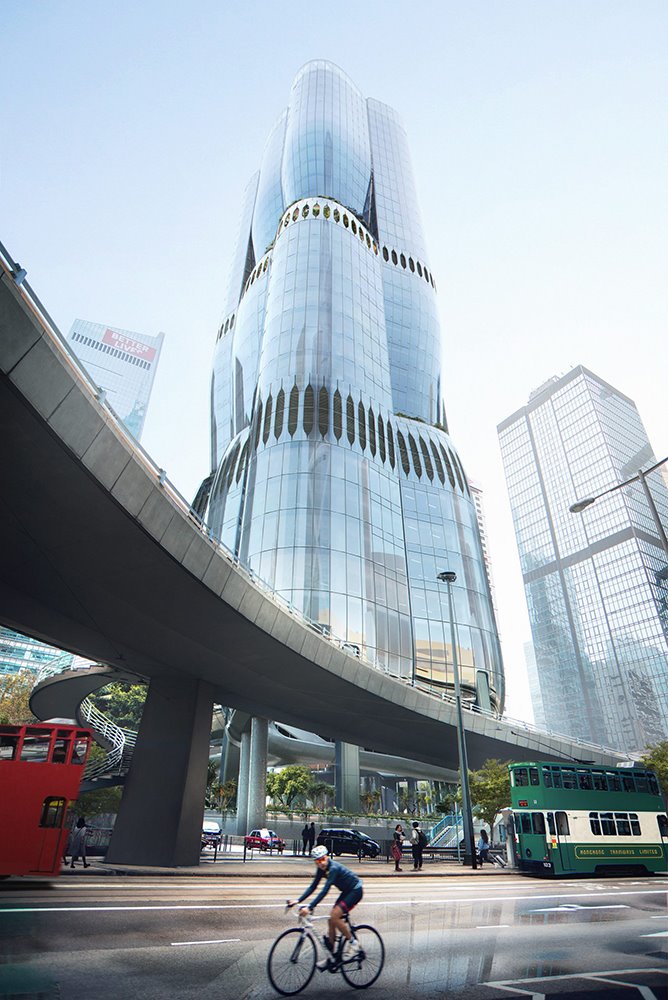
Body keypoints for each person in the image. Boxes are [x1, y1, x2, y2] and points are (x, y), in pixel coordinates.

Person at [288, 845, 363, 970]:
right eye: (317, 861)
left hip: (355, 890)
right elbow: (313, 887)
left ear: (327, 857)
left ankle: (354, 944)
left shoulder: (333, 868)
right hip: (346, 891)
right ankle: (332, 958)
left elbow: (324, 891)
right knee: (331, 919)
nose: (321, 863)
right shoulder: (321, 869)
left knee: (334, 916)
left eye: (322, 859)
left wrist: (310, 907)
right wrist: (298, 900)